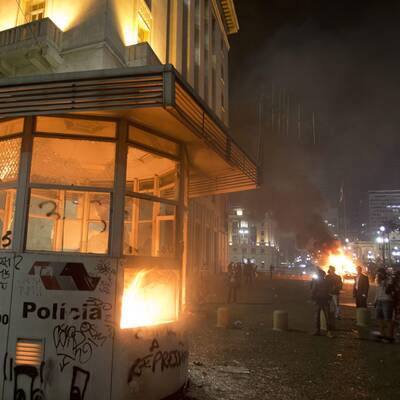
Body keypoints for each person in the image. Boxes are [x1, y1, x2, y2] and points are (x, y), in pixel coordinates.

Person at [311, 269, 334, 337]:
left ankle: (318, 330)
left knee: (317, 316)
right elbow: (330, 290)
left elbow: (313, 290)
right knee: (327, 316)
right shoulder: (327, 282)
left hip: (319, 300)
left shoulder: (316, 282)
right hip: (325, 300)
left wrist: (313, 298)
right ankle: (328, 332)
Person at [375, 268, 394, 343]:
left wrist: (385, 281)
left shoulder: (389, 279)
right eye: (378, 273)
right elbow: (377, 291)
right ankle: (382, 334)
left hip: (387, 301)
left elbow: (388, 291)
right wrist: (375, 300)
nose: (378, 275)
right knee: (380, 318)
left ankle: (390, 337)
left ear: (384, 273)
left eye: (380, 273)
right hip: (379, 300)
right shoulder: (378, 280)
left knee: (388, 319)